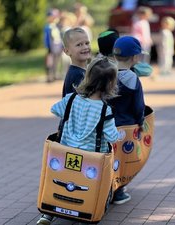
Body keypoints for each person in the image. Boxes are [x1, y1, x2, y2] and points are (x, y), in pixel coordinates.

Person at [37, 56, 120, 225]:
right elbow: (112, 136)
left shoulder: (71, 99)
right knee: (89, 186)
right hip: (91, 158)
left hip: (65, 151)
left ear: (87, 77)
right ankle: (86, 213)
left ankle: (47, 214)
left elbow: (55, 109)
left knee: (58, 181)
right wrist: (119, 135)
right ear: (110, 84)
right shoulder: (105, 110)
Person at [110, 36, 146, 204]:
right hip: (127, 127)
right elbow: (139, 106)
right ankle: (119, 191)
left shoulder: (106, 74)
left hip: (107, 125)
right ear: (134, 58)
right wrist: (141, 122)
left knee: (109, 158)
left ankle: (106, 188)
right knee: (123, 159)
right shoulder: (133, 79)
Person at [61, 27, 91, 97]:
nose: (85, 47)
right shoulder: (78, 75)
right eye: (79, 45)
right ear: (67, 51)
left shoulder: (81, 71)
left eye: (87, 43)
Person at [43, 8, 63, 83]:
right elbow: (46, 38)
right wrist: (48, 46)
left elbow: (59, 37)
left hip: (57, 46)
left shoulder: (57, 26)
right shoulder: (48, 27)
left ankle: (55, 74)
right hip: (51, 47)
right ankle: (49, 76)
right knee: (50, 61)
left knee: (56, 61)